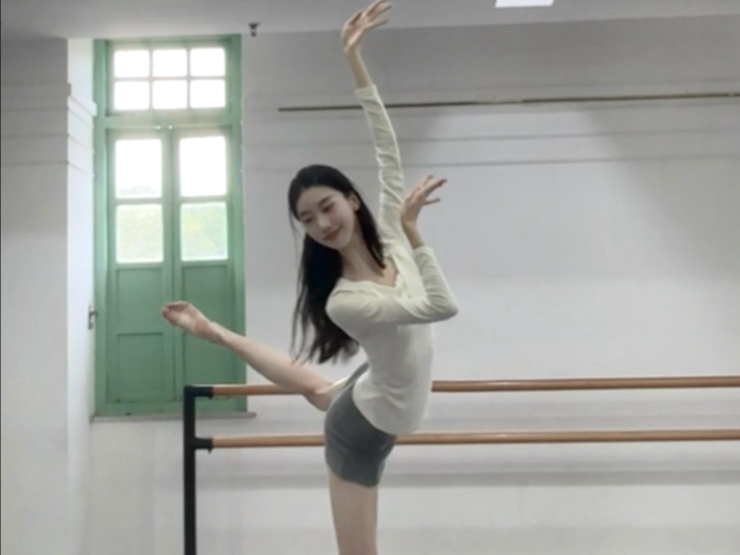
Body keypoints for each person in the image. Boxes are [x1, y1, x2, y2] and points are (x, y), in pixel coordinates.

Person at [162, 2, 458, 553]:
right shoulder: (347, 299)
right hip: (359, 430)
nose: (322, 224)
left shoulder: (389, 235)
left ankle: (212, 331)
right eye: (306, 219)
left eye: (327, 206)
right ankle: (215, 332)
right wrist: (414, 231)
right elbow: (441, 306)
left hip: (375, 390)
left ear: (351, 199)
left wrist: (354, 59)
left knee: (320, 387)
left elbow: (386, 148)